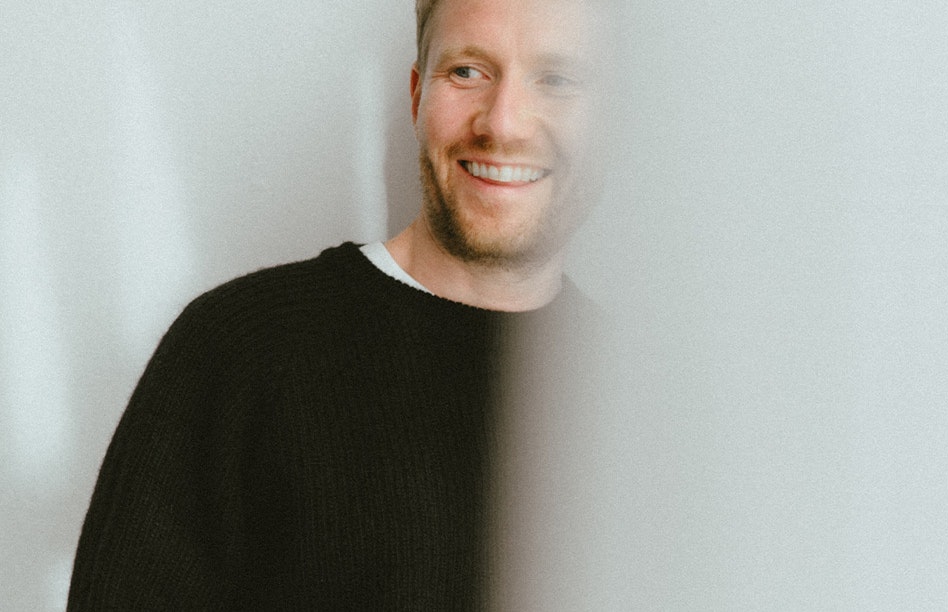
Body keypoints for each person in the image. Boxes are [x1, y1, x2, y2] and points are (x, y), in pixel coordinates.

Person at [69, 0, 607, 608]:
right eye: (466, 72)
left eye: (557, 79)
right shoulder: (240, 349)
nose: (503, 124)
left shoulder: (653, 399)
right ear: (417, 95)